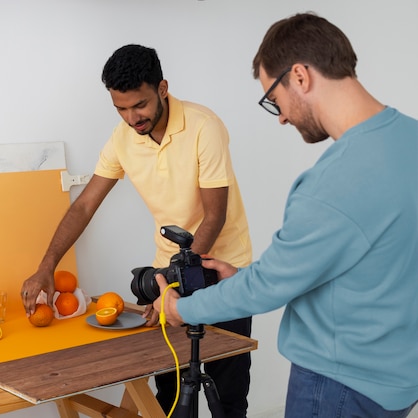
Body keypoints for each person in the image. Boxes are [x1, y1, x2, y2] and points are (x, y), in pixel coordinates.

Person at [154, 12, 418, 418]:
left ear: (300, 76)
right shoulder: (410, 139)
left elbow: (268, 288)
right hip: (397, 381)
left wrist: (179, 310)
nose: (280, 116)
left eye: (273, 99)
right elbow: (361, 264)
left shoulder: (333, 181)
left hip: (337, 386)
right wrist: (243, 278)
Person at [21, 44, 253, 417]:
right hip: (168, 273)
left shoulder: (203, 126)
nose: (132, 117)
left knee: (228, 394)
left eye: (139, 105)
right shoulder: (122, 138)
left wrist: (175, 282)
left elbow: (214, 216)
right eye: (121, 108)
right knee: (172, 394)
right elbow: (83, 205)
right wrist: (47, 264)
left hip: (224, 269)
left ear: (162, 88)